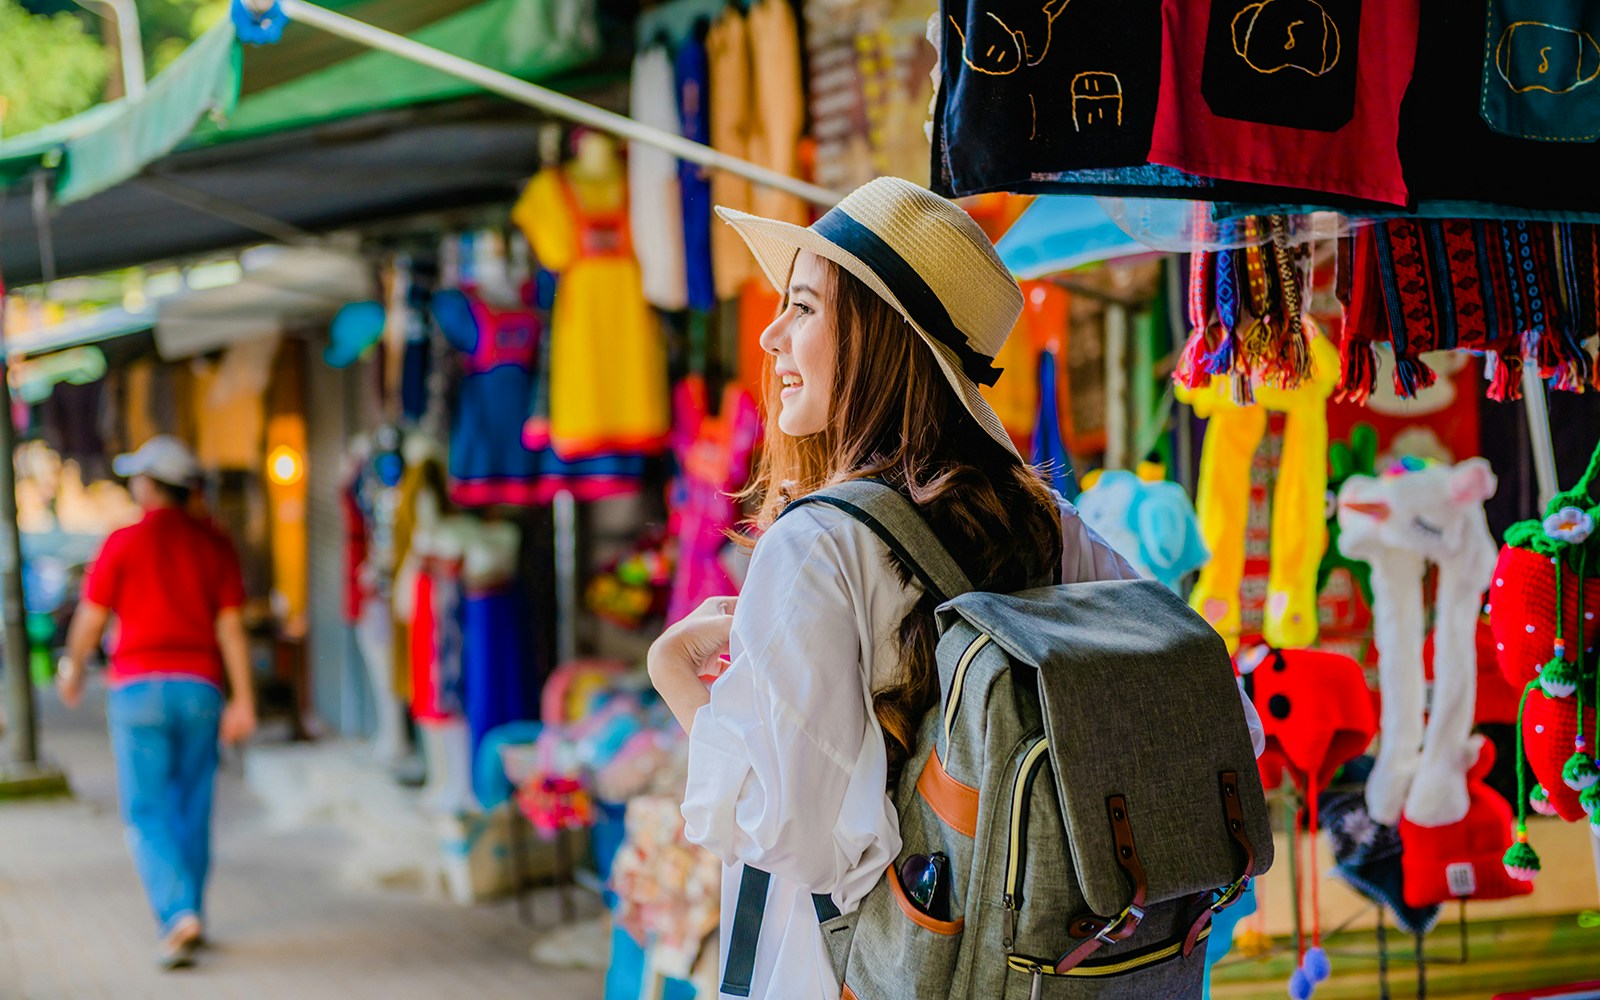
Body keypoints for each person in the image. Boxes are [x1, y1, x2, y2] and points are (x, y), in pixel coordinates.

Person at [647, 177, 1184, 999]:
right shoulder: (1050, 523)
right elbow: (1194, 690)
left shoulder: (817, 547)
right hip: (1041, 967)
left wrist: (678, 682)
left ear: (878, 337)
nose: (769, 336)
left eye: (803, 307)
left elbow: (795, 835)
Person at [57, 435, 257, 970]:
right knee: (192, 806)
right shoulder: (213, 543)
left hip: (138, 690)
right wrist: (244, 699)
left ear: (148, 485)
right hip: (201, 690)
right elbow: (232, 629)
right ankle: (189, 910)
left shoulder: (123, 541)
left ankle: (176, 914)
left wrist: (73, 670)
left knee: (147, 811)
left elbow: (91, 620)